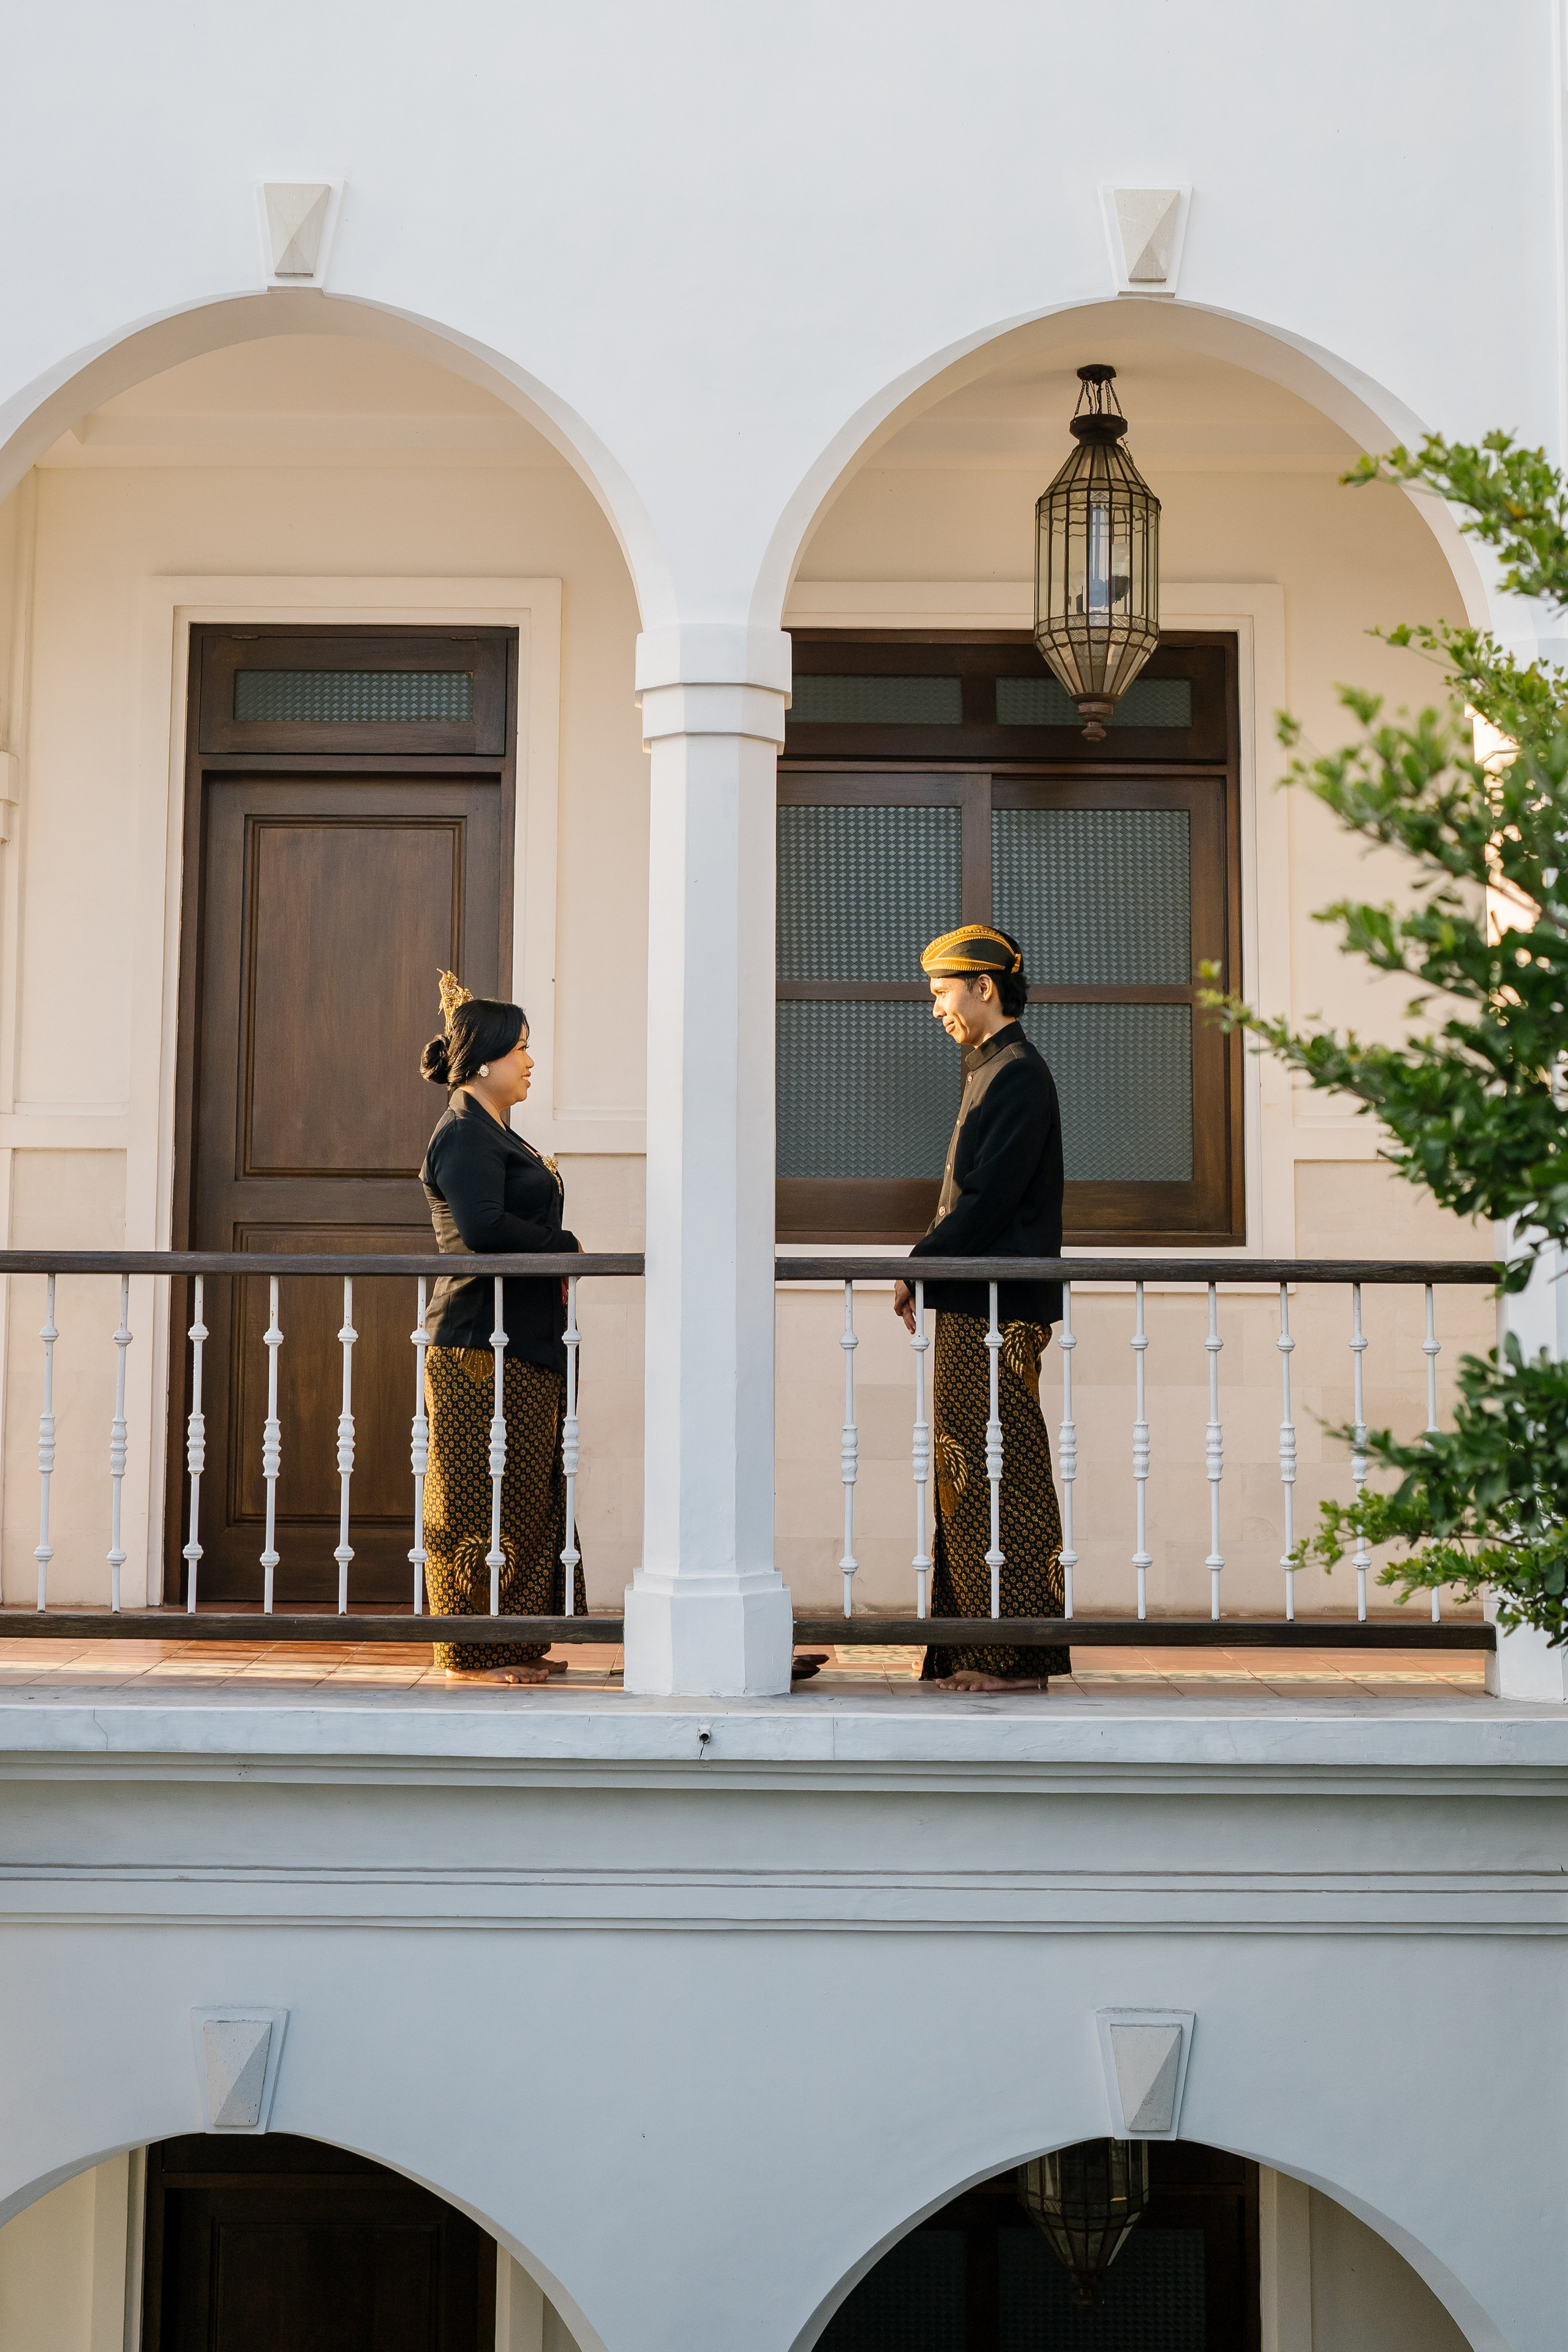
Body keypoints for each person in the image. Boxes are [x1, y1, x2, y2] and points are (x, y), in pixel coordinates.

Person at [892, 925, 1070, 1694]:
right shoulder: (991, 1069)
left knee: (1001, 1472)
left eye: (941, 993)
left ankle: (1014, 1657)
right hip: (974, 1302)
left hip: (996, 1306)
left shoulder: (1017, 1074)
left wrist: (916, 1266)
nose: (937, 1009)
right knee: (966, 1473)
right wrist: (925, 1264)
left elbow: (991, 1201)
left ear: (983, 987)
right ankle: (969, 1646)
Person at [418, 971, 587, 1684]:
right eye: (519, 1049)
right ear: (484, 1059)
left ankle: (514, 1637)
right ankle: (471, 1653)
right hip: (476, 1343)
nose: (530, 1062)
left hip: (522, 1338)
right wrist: (569, 1246)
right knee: (474, 1496)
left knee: (522, 1489)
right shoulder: (463, 1131)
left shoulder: (493, 1131)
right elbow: (484, 1230)